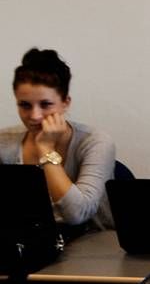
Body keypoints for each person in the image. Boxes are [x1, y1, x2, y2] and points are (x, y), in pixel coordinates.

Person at [0, 48, 116, 232]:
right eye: (25, 105)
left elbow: (77, 214)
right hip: (27, 239)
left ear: (65, 103)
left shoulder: (96, 142)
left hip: (90, 240)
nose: (35, 116)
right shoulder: (4, 141)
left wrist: (46, 149)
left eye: (45, 104)